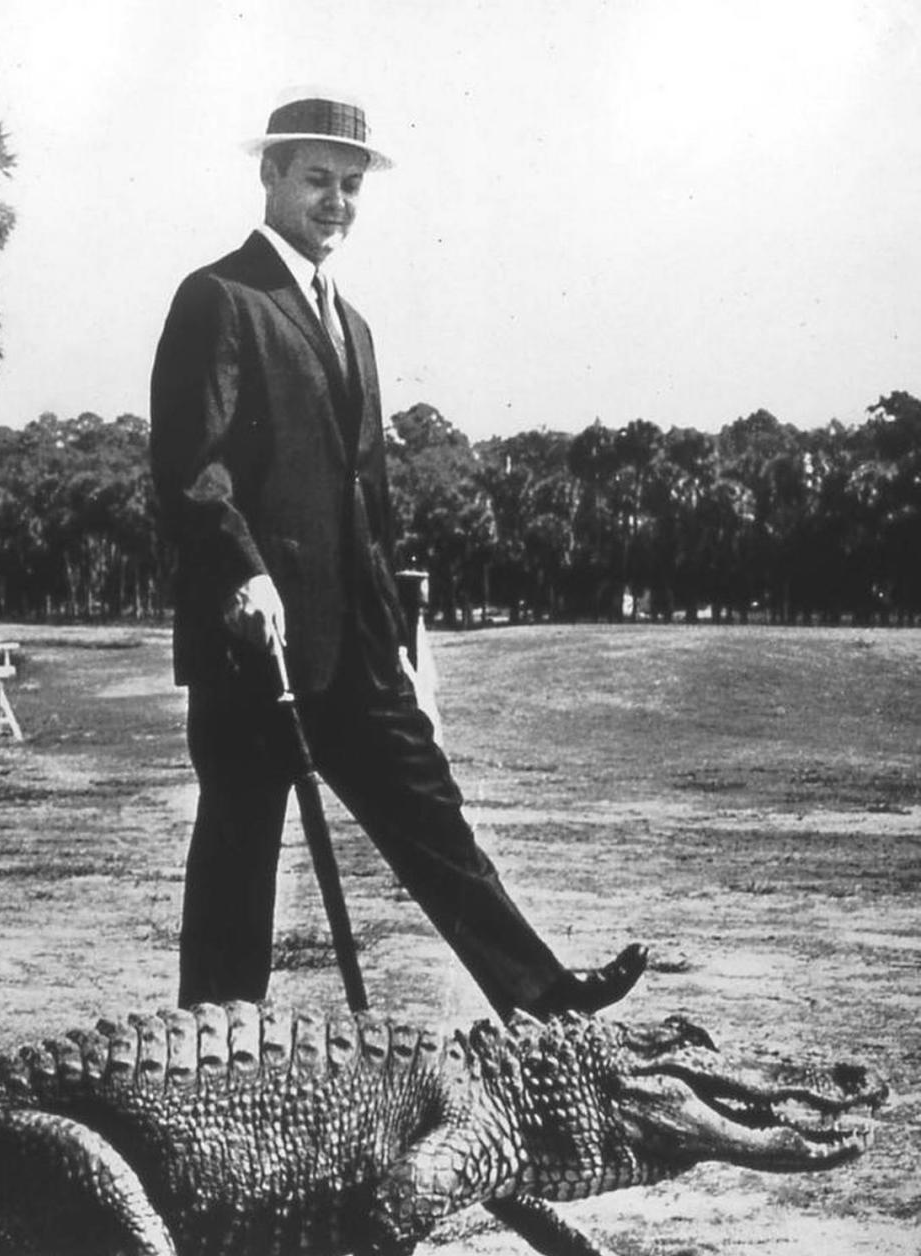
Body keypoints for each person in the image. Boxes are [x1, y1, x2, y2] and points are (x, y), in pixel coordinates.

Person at [149, 87, 647, 1022]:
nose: (335, 201)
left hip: (356, 651)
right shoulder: (219, 297)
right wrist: (240, 572)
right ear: (269, 175)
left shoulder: (356, 327)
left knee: (432, 819)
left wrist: (402, 652)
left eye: (349, 185)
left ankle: (544, 1002)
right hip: (254, 643)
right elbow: (191, 468)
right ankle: (209, 1063)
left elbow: (366, 512)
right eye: (316, 180)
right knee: (237, 863)